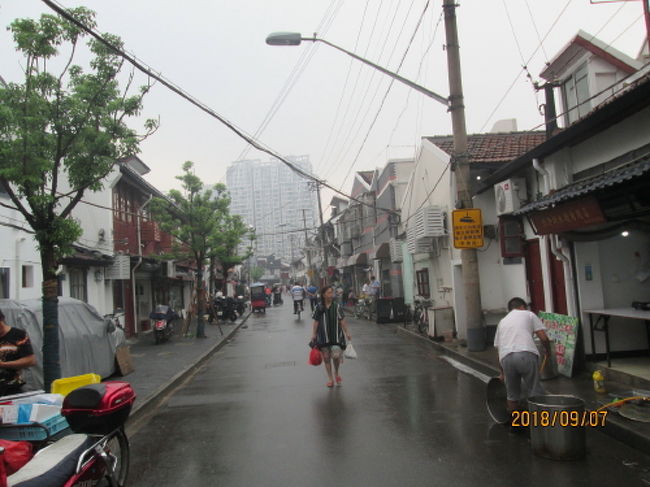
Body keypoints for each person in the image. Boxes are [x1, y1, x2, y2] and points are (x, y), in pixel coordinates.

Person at [494, 297, 551, 414]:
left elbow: (499, 350)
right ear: (522, 307)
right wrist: (547, 350)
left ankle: (515, 427)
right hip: (526, 354)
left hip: (506, 359)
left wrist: (502, 373)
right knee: (535, 391)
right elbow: (543, 337)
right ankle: (538, 426)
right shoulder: (528, 314)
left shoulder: (502, 322)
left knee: (512, 395)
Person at [310, 286, 352, 388]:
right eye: (329, 293)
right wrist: (314, 334)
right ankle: (330, 378)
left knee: (336, 356)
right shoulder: (318, 307)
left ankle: (336, 373)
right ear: (324, 295)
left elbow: (342, 320)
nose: (331, 295)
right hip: (323, 337)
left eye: (332, 293)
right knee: (326, 358)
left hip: (336, 336)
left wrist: (347, 332)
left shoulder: (337, 306)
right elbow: (316, 321)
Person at [0, 310, 37, 396]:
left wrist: (3, 364)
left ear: (2, 319)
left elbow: (31, 360)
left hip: (11, 387)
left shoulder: (18, 335)